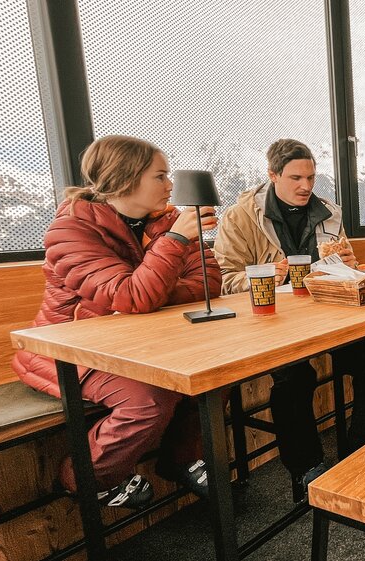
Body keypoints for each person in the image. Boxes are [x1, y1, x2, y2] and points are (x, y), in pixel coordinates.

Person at [12, 135, 220, 508]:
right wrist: (171, 247)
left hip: (142, 342)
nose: (170, 185)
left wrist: (151, 291)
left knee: (215, 372)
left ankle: (183, 459)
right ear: (125, 178)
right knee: (149, 401)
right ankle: (84, 479)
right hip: (71, 350)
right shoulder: (70, 230)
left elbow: (209, 283)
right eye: (160, 176)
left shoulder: (166, 221)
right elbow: (132, 296)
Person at [212, 138, 365, 502]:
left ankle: (362, 451)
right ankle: (306, 468)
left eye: (311, 177)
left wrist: (347, 265)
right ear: (272, 175)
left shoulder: (329, 212)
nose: (306, 186)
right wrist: (262, 276)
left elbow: (341, 265)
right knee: (295, 377)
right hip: (272, 323)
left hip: (328, 315)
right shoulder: (241, 217)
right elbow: (222, 279)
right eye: (295, 178)